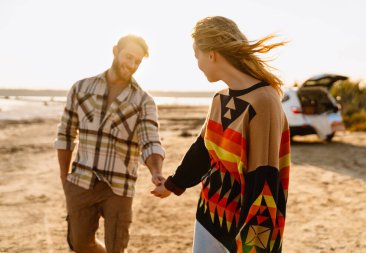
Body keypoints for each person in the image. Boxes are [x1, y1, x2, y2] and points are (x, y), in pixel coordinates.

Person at [152, 16, 290, 253]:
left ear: (212, 54)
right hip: (209, 216)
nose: (198, 64)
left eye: (197, 56)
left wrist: (252, 245)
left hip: (243, 230)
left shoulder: (264, 101)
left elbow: (265, 180)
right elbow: (202, 151)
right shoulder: (219, 99)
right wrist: (174, 184)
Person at [55, 34, 165, 253]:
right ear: (115, 51)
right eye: (129, 57)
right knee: (79, 244)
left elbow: (150, 140)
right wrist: (64, 179)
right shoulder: (80, 88)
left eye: (138, 61)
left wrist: (156, 171)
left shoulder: (143, 101)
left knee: (117, 248)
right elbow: (66, 134)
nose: (132, 64)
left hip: (119, 186)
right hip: (81, 180)